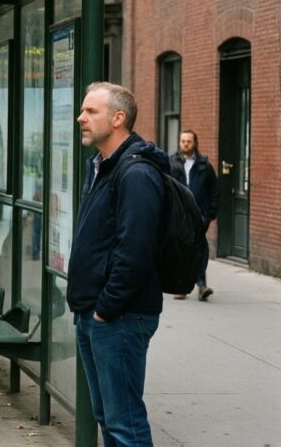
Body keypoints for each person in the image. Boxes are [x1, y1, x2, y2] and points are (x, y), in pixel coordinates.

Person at [67, 82, 167, 447]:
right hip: (95, 312)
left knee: (124, 423)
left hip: (119, 316)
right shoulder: (102, 167)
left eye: (91, 111)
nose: (81, 118)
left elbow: (135, 252)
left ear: (118, 118)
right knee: (108, 418)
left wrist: (105, 309)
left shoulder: (136, 173)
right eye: (82, 110)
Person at [169, 129, 219, 301]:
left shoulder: (205, 166)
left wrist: (210, 214)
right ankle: (182, 287)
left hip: (199, 216)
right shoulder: (172, 163)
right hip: (179, 216)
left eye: (189, 141)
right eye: (183, 141)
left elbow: (214, 191)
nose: (185, 144)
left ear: (195, 143)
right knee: (181, 250)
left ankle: (201, 286)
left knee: (197, 248)